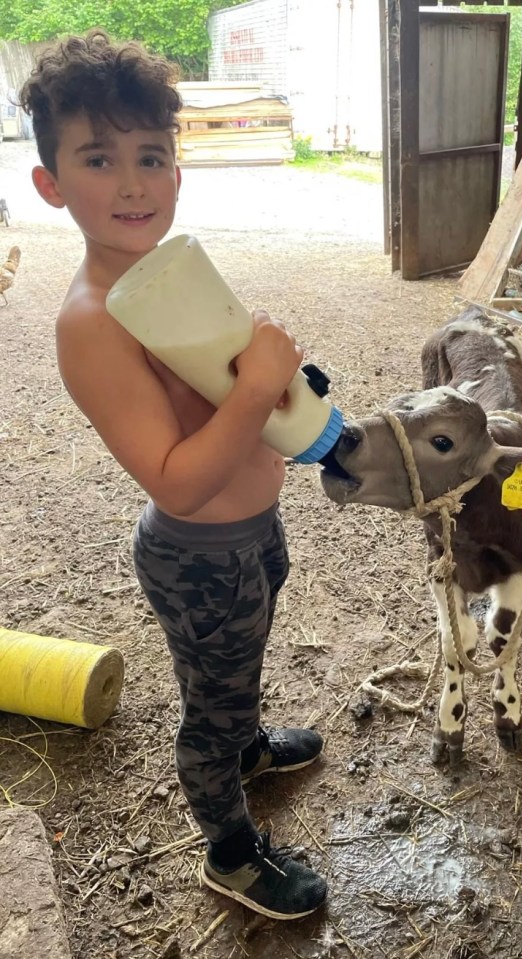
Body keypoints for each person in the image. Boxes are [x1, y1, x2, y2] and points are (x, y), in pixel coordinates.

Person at [19, 30, 327, 921]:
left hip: (249, 537)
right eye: (98, 158)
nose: (130, 183)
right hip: (199, 552)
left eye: (150, 156)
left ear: (177, 168)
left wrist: (276, 385)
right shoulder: (92, 321)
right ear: (50, 183)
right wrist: (259, 386)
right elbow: (176, 480)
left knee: (239, 671)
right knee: (209, 709)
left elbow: (223, 390)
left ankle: (249, 747)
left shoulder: (168, 271)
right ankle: (230, 853)